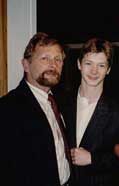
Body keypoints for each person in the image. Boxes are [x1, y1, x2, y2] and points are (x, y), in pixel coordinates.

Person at [0, 32, 70, 186]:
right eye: (45, 58)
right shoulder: (7, 109)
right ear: (26, 64)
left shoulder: (61, 102)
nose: (53, 65)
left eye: (58, 59)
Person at [57, 38, 119, 186]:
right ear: (79, 64)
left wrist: (92, 159)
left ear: (108, 69)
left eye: (101, 65)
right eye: (88, 63)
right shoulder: (60, 103)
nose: (94, 71)